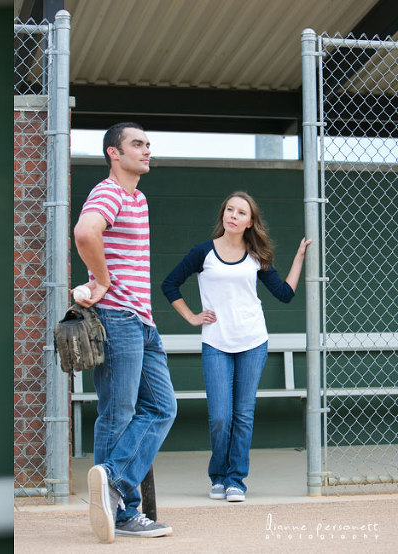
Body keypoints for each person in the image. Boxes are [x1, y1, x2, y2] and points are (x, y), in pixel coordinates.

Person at [161, 191, 310, 502]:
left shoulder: (256, 257)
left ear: (250, 222)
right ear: (223, 215)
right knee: (220, 416)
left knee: (243, 414)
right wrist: (191, 316)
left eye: (241, 212)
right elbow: (169, 284)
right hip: (216, 343)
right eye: (229, 209)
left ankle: (235, 480)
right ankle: (218, 475)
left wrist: (298, 259)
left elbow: (284, 294)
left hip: (253, 341)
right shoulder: (202, 252)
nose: (233, 215)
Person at [73, 122, 176, 543]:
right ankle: (125, 511)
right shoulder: (108, 192)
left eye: (149, 144)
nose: (146, 150)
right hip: (117, 318)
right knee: (118, 414)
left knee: (162, 407)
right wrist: (100, 280)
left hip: (144, 322)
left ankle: (112, 486)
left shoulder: (140, 199)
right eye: (137, 144)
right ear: (114, 153)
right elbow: (84, 232)